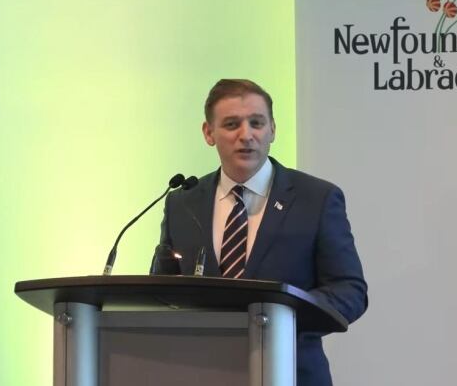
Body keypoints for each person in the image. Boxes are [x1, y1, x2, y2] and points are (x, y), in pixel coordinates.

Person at [156, 79, 368, 386]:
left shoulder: (316, 198)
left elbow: (349, 290)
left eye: (257, 123)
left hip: (291, 373)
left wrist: (284, 318)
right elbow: (162, 290)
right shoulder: (182, 202)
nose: (246, 135)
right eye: (231, 124)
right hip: (199, 372)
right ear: (208, 133)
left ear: (272, 129)